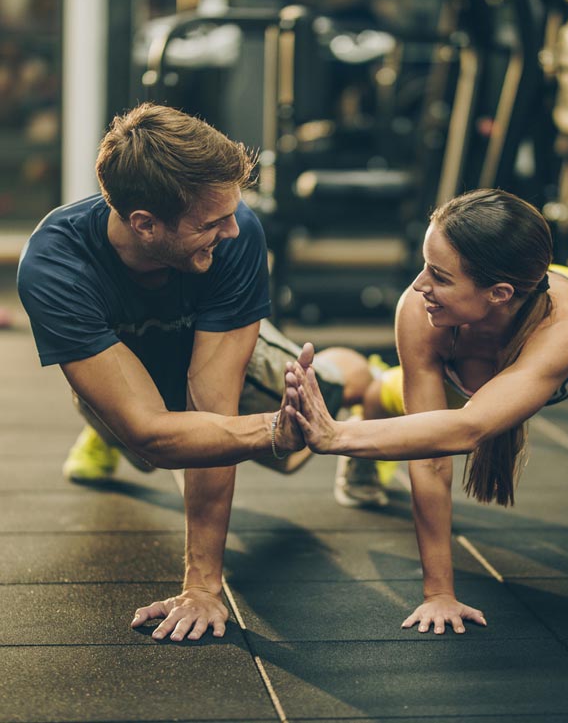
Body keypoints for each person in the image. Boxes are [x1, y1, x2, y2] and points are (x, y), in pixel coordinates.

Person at [284, 187, 568, 635]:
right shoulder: (419, 309)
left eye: (440, 277)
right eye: (425, 267)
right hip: (474, 363)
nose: (420, 284)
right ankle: (369, 399)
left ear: (499, 294)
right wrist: (438, 593)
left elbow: (468, 429)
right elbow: (430, 455)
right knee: (397, 395)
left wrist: (338, 436)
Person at [16, 102, 374, 642]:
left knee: (294, 453)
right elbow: (155, 436)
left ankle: (365, 376)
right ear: (145, 224)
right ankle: (103, 433)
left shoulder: (238, 234)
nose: (232, 230)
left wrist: (203, 586)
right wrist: (270, 429)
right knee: (141, 439)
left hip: (216, 349)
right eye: (211, 222)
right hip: (130, 370)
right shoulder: (55, 265)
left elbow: (213, 412)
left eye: (233, 211)